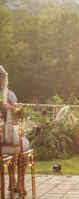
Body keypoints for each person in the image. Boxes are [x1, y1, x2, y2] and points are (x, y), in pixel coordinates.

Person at [0, 65, 30, 193]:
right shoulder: (9, 95)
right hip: (5, 138)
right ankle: (18, 183)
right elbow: (16, 119)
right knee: (21, 143)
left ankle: (13, 182)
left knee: (14, 143)